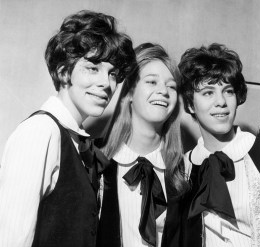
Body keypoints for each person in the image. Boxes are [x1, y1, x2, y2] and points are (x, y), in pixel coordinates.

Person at [0, 10, 136, 247]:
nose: (106, 83)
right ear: (64, 72)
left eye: (112, 73)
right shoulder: (40, 132)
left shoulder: (77, 142)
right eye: (93, 68)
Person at [178, 43, 260, 247]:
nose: (221, 102)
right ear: (191, 104)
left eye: (228, 91)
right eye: (208, 92)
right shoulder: (185, 167)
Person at [99, 43, 189, 247]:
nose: (163, 91)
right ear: (130, 92)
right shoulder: (95, 163)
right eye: (152, 81)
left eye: (171, 86)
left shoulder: (183, 173)